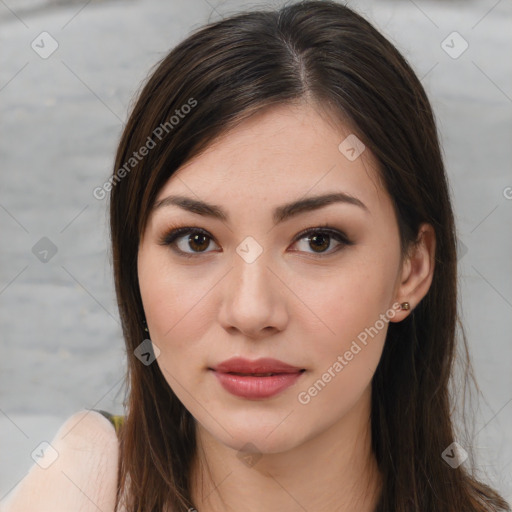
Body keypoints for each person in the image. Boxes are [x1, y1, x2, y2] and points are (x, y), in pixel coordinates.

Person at [3, 1, 510, 511]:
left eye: (318, 240)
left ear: (412, 269)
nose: (250, 312)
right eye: (195, 240)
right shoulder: (71, 489)